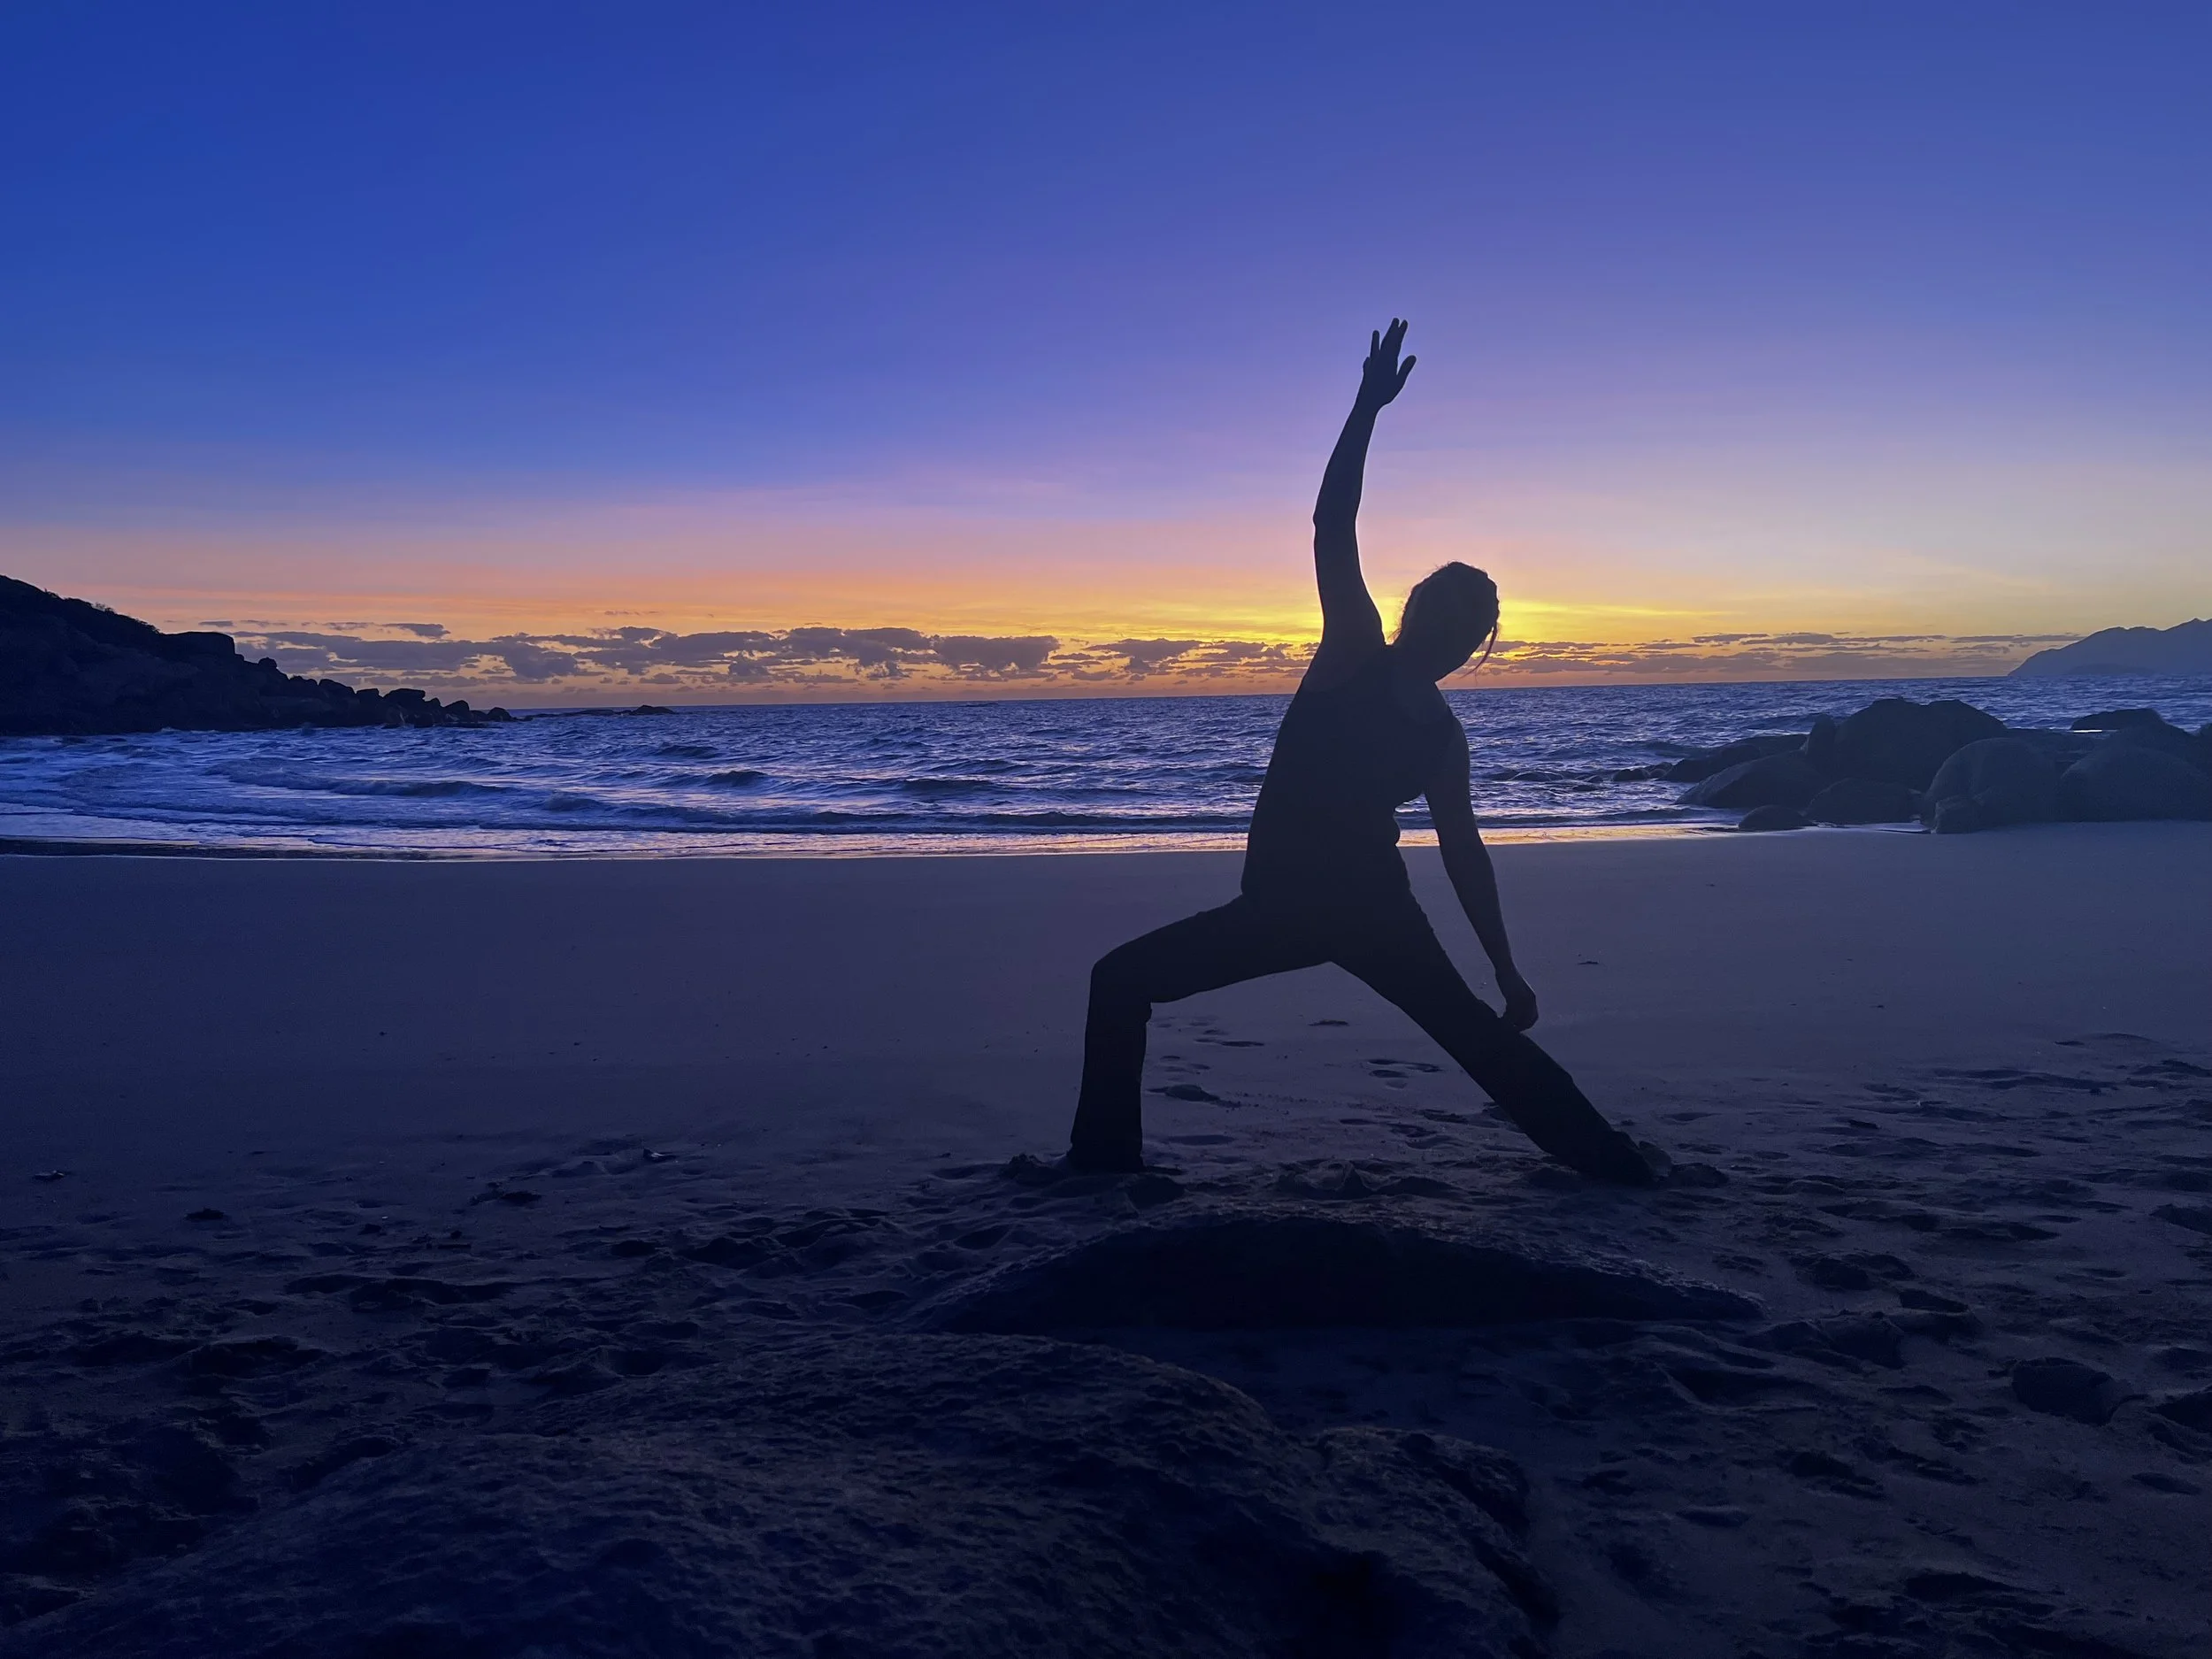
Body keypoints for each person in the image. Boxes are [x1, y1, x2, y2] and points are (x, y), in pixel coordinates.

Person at [1067, 319, 1655, 1184]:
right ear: (1437, 623)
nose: (1451, 634)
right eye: (1453, 620)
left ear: (1455, 631)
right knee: (1473, 1038)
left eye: (1462, 625)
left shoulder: (1379, 681)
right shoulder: (1403, 697)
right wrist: (1504, 970)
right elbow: (1461, 853)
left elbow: (1463, 849)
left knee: (1120, 985)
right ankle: (1614, 1166)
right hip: (1365, 911)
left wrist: (1364, 406)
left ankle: (1101, 1168)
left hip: (1301, 909)